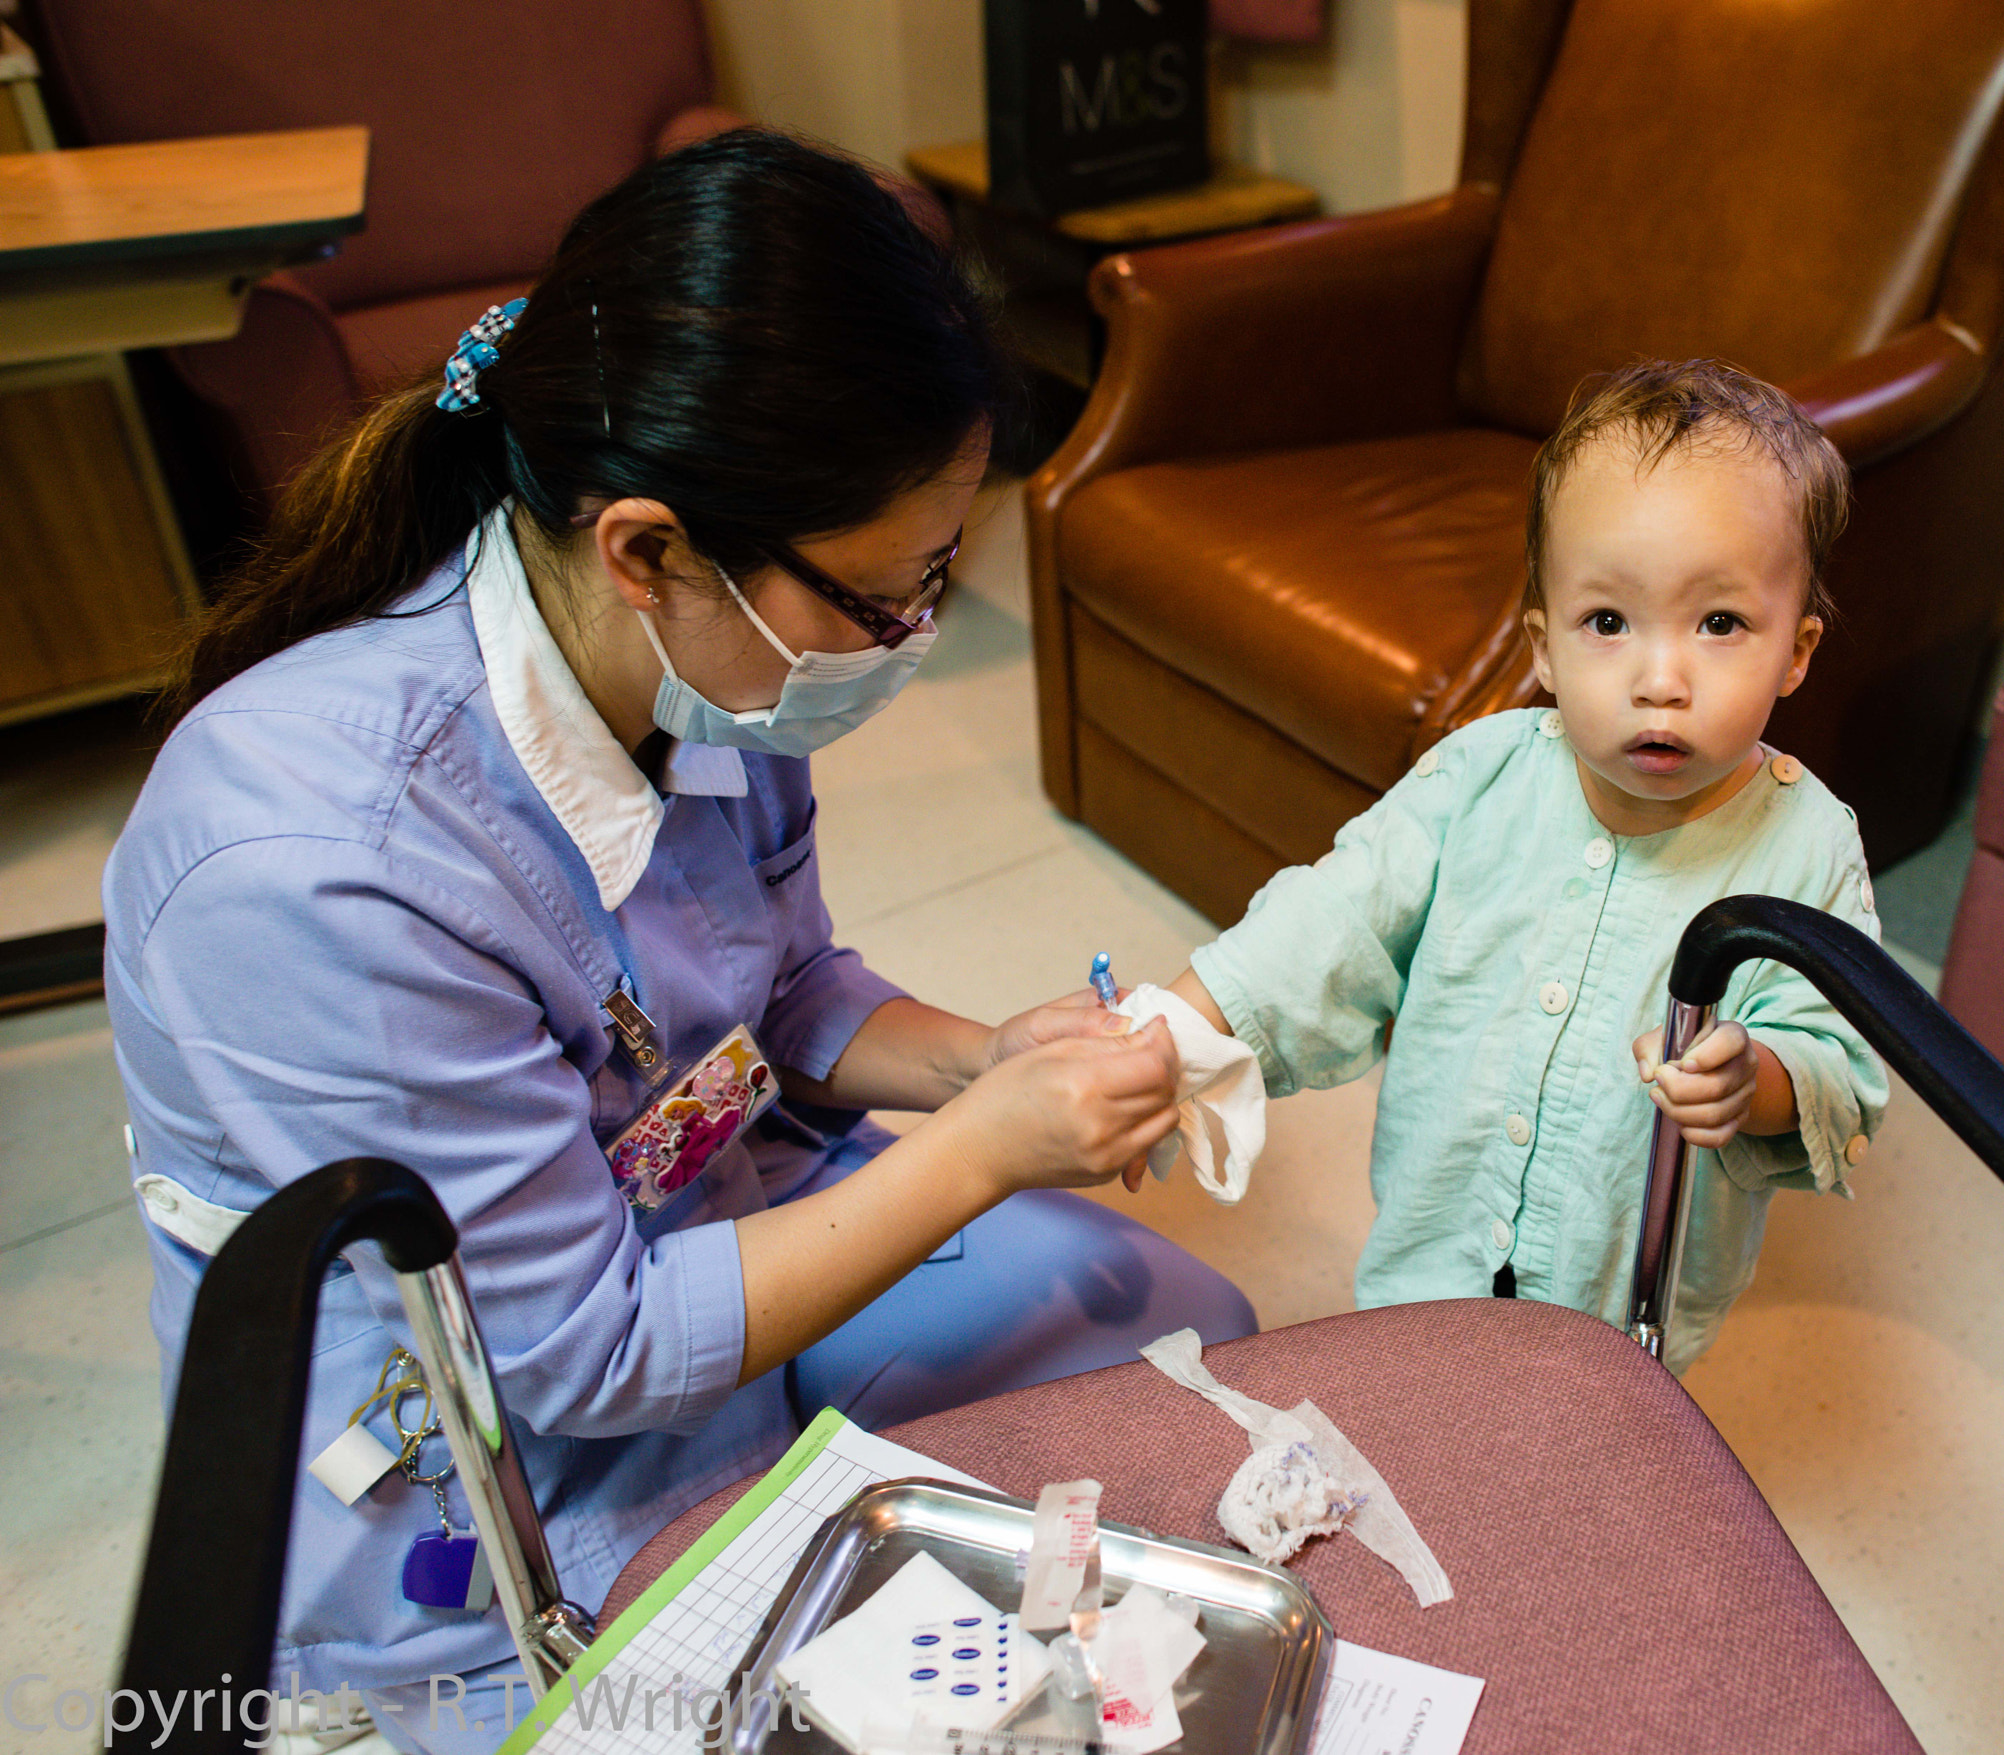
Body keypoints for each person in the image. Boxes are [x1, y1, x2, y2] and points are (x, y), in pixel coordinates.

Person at [103, 130, 1253, 1752]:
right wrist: (984, 1148)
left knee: (1164, 1359)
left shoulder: (712, 667)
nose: (912, 638)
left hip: (697, 1224)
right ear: (646, 547)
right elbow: (578, 1352)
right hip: (481, 1439)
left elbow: (775, 985)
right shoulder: (310, 874)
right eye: (882, 596)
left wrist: (980, 1062)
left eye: (935, 578)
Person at [1150, 360, 1887, 1375]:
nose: (1658, 681)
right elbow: (1331, 922)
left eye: (1718, 624)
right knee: (1410, 1409)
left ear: (1794, 651)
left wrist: (1755, 1082)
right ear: (1541, 644)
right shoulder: (1475, 778)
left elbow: (1840, 1067)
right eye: (1606, 623)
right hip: (1434, 1240)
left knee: (1576, 1458)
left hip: (1623, 1286)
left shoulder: (1806, 848)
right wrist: (1174, 1026)